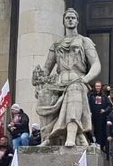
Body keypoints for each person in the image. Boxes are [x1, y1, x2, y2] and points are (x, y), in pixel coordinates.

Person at [32, 8, 101, 147]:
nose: (70, 20)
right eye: (67, 18)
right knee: (45, 94)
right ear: (64, 21)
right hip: (59, 81)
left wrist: (86, 79)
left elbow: (96, 65)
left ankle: (71, 135)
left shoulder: (84, 41)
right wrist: (40, 83)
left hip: (78, 80)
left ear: (77, 21)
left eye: (73, 18)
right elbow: (46, 69)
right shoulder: (57, 44)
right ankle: (47, 137)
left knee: (74, 90)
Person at [88, 80, 113, 148]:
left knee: (100, 130)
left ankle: (99, 143)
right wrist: (89, 111)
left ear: (101, 87)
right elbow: (87, 104)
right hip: (92, 115)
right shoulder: (91, 95)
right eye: (96, 86)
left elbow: (110, 105)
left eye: (99, 86)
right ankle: (92, 141)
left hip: (101, 116)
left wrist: (104, 110)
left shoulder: (104, 96)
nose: (97, 87)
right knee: (91, 129)